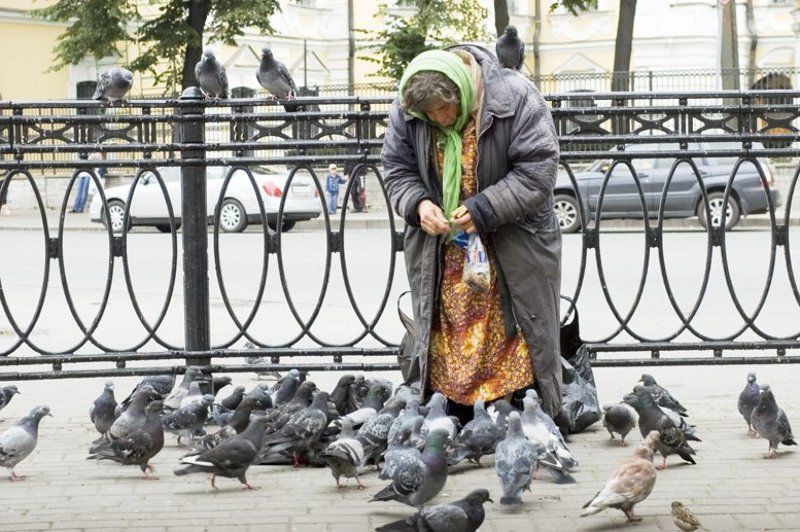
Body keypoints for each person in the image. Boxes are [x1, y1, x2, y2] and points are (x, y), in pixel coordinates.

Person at [382, 45, 563, 423]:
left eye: (444, 110)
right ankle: (457, 410)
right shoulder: (406, 109)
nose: (440, 120)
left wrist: (484, 208)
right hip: (444, 248)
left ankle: (515, 409)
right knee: (448, 332)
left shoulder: (516, 96)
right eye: (429, 116)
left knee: (511, 327)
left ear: (461, 91)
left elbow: (538, 171)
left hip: (508, 239)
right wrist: (418, 204)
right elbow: (396, 169)